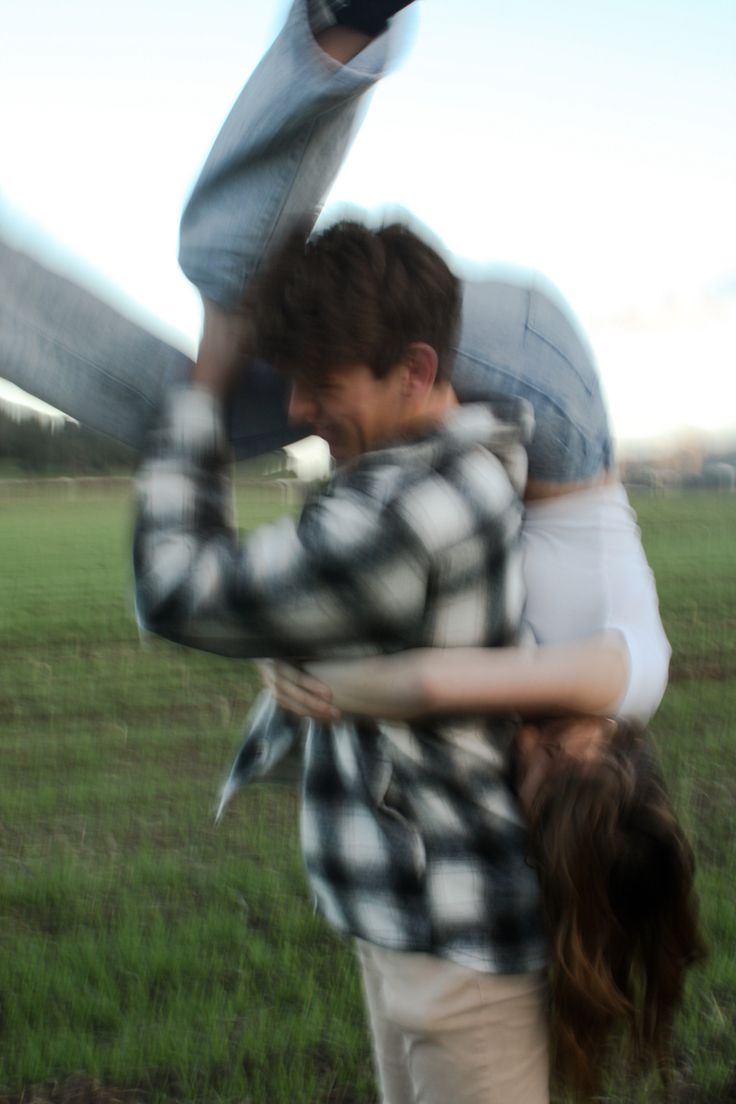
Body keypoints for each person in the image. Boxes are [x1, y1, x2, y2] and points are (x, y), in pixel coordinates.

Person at [135, 217, 552, 1104]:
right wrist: (288, 648)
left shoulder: (401, 513)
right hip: (417, 922)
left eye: (319, 385)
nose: (294, 410)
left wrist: (202, 393)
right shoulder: (431, 469)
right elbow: (302, 615)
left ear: (415, 371)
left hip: (456, 947)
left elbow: (176, 589)